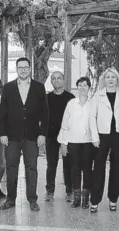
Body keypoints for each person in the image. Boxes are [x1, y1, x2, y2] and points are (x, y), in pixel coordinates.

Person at [0, 57, 49, 212]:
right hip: (12, 136)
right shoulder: (7, 88)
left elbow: (45, 113)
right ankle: (10, 199)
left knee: (31, 168)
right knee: (11, 168)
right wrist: (3, 133)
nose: (23, 70)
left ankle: (32, 200)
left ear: (30, 69)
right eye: (20, 67)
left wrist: (43, 134)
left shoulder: (39, 87)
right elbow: (2, 112)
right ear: (16, 69)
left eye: (25, 67)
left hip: (32, 136)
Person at [88, 67, 119, 213]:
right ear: (104, 80)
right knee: (98, 169)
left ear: (117, 79)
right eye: (108, 77)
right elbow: (92, 117)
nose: (111, 80)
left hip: (118, 137)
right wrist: (94, 137)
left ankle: (113, 199)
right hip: (101, 137)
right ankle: (94, 201)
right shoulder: (97, 96)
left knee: (118, 169)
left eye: (113, 77)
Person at [57, 77, 93, 208]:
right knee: (75, 170)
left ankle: (86, 198)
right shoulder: (71, 103)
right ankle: (76, 197)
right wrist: (63, 142)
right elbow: (65, 123)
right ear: (77, 87)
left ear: (89, 87)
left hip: (89, 141)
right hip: (73, 141)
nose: (82, 87)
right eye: (80, 85)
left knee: (88, 170)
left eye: (85, 85)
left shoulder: (93, 103)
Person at [45, 71, 75, 202]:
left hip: (67, 137)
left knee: (68, 164)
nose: (56, 80)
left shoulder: (71, 97)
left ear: (63, 80)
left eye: (59, 78)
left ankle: (70, 191)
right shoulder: (47, 98)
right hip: (51, 136)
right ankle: (50, 191)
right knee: (51, 164)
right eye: (54, 79)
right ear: (51, 81)